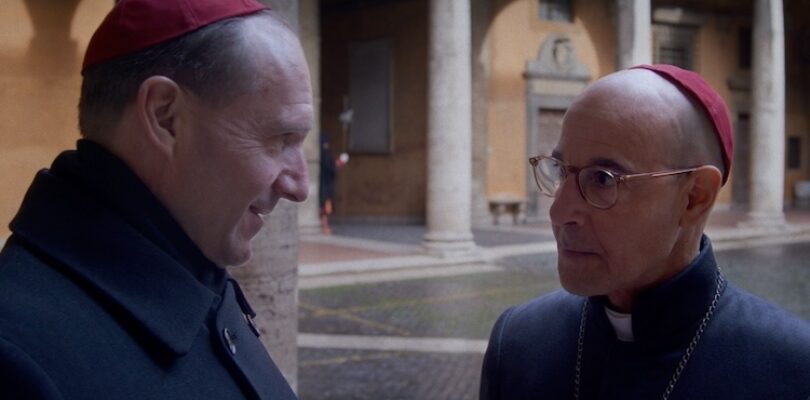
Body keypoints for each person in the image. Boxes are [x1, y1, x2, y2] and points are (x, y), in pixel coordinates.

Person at [0, 0, 311, 398]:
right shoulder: (16, 361)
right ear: (166, 117)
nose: (299, 186)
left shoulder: (192, 260)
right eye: (279, 139)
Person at [480, 65, 810, 399]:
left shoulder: (794, 369)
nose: (559, 212)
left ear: (694, 198)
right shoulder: (517, 342)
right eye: (561, 172)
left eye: (603, 179)